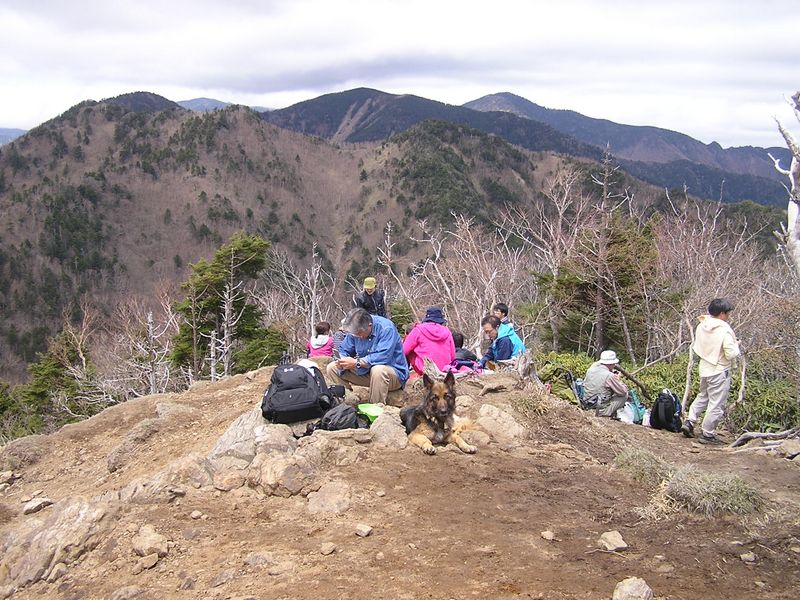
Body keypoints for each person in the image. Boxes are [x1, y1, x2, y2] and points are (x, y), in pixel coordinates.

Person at [681, 298, 741, 445]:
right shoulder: (724, 330)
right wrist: (736, 345)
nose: (728, 316)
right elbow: (731, 354)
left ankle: (690, 421)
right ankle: (707, 433)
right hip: (719, 369)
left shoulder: (703, 324)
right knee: (716, 403)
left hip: (704, 367)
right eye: (728, 313)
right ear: (722, 314)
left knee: (703, 396)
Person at [325, 308, 408, 404]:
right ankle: (347, 402)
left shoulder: (386, 328)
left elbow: (382, 357)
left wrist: (357, 363)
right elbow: (344, 349)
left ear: (370, 325)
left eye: (360, 333)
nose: (358, 336)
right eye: (355, 334)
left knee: (378, 370)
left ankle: (376, 407)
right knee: (332, 368)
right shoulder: (355, 330)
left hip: (393, 375)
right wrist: (341, 361)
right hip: (366, 372)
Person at [402, 306, 456, 376]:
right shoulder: (447, 331)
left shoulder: (418, 329)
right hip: (445, 369)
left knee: (407, 344)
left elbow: (404, 350)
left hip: (425, 369)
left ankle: (405, 374)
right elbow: (453, 356)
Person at [583, 350, 629, 418]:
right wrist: (618, 380)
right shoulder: (609, 376)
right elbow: (623, 392)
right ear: (610, 364)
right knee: (625, 395)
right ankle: (605, 413)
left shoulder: (590, 370)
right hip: (600, 409)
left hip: (587, 404)